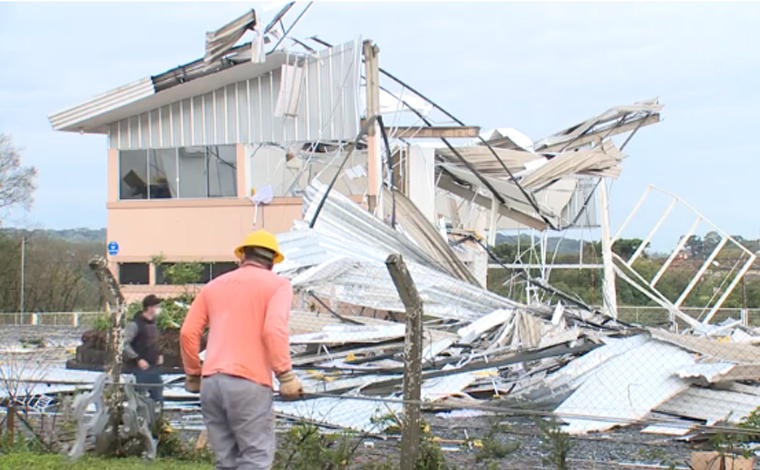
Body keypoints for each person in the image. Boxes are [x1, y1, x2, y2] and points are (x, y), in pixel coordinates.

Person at [180, 230, 303, 470]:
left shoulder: (213, 286)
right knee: (255, 458)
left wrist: (193, 373)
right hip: (249, 383)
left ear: (242, 256)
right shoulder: (278, 285)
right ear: (272, 262)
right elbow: (274, 329)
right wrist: (286, 376)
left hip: (211, 384)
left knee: (226, 462)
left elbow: (187, 332)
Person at [124, 294, 165, 405]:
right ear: (149, 308)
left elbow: (154, 342)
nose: (159, 309)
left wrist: (159, 354)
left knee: (157, 398)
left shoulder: (153, 325)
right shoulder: (135, 325)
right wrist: (138, 359)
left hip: (153, 367)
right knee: (140, 400)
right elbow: (125, 344)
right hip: (139, 369)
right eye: (157, 306)